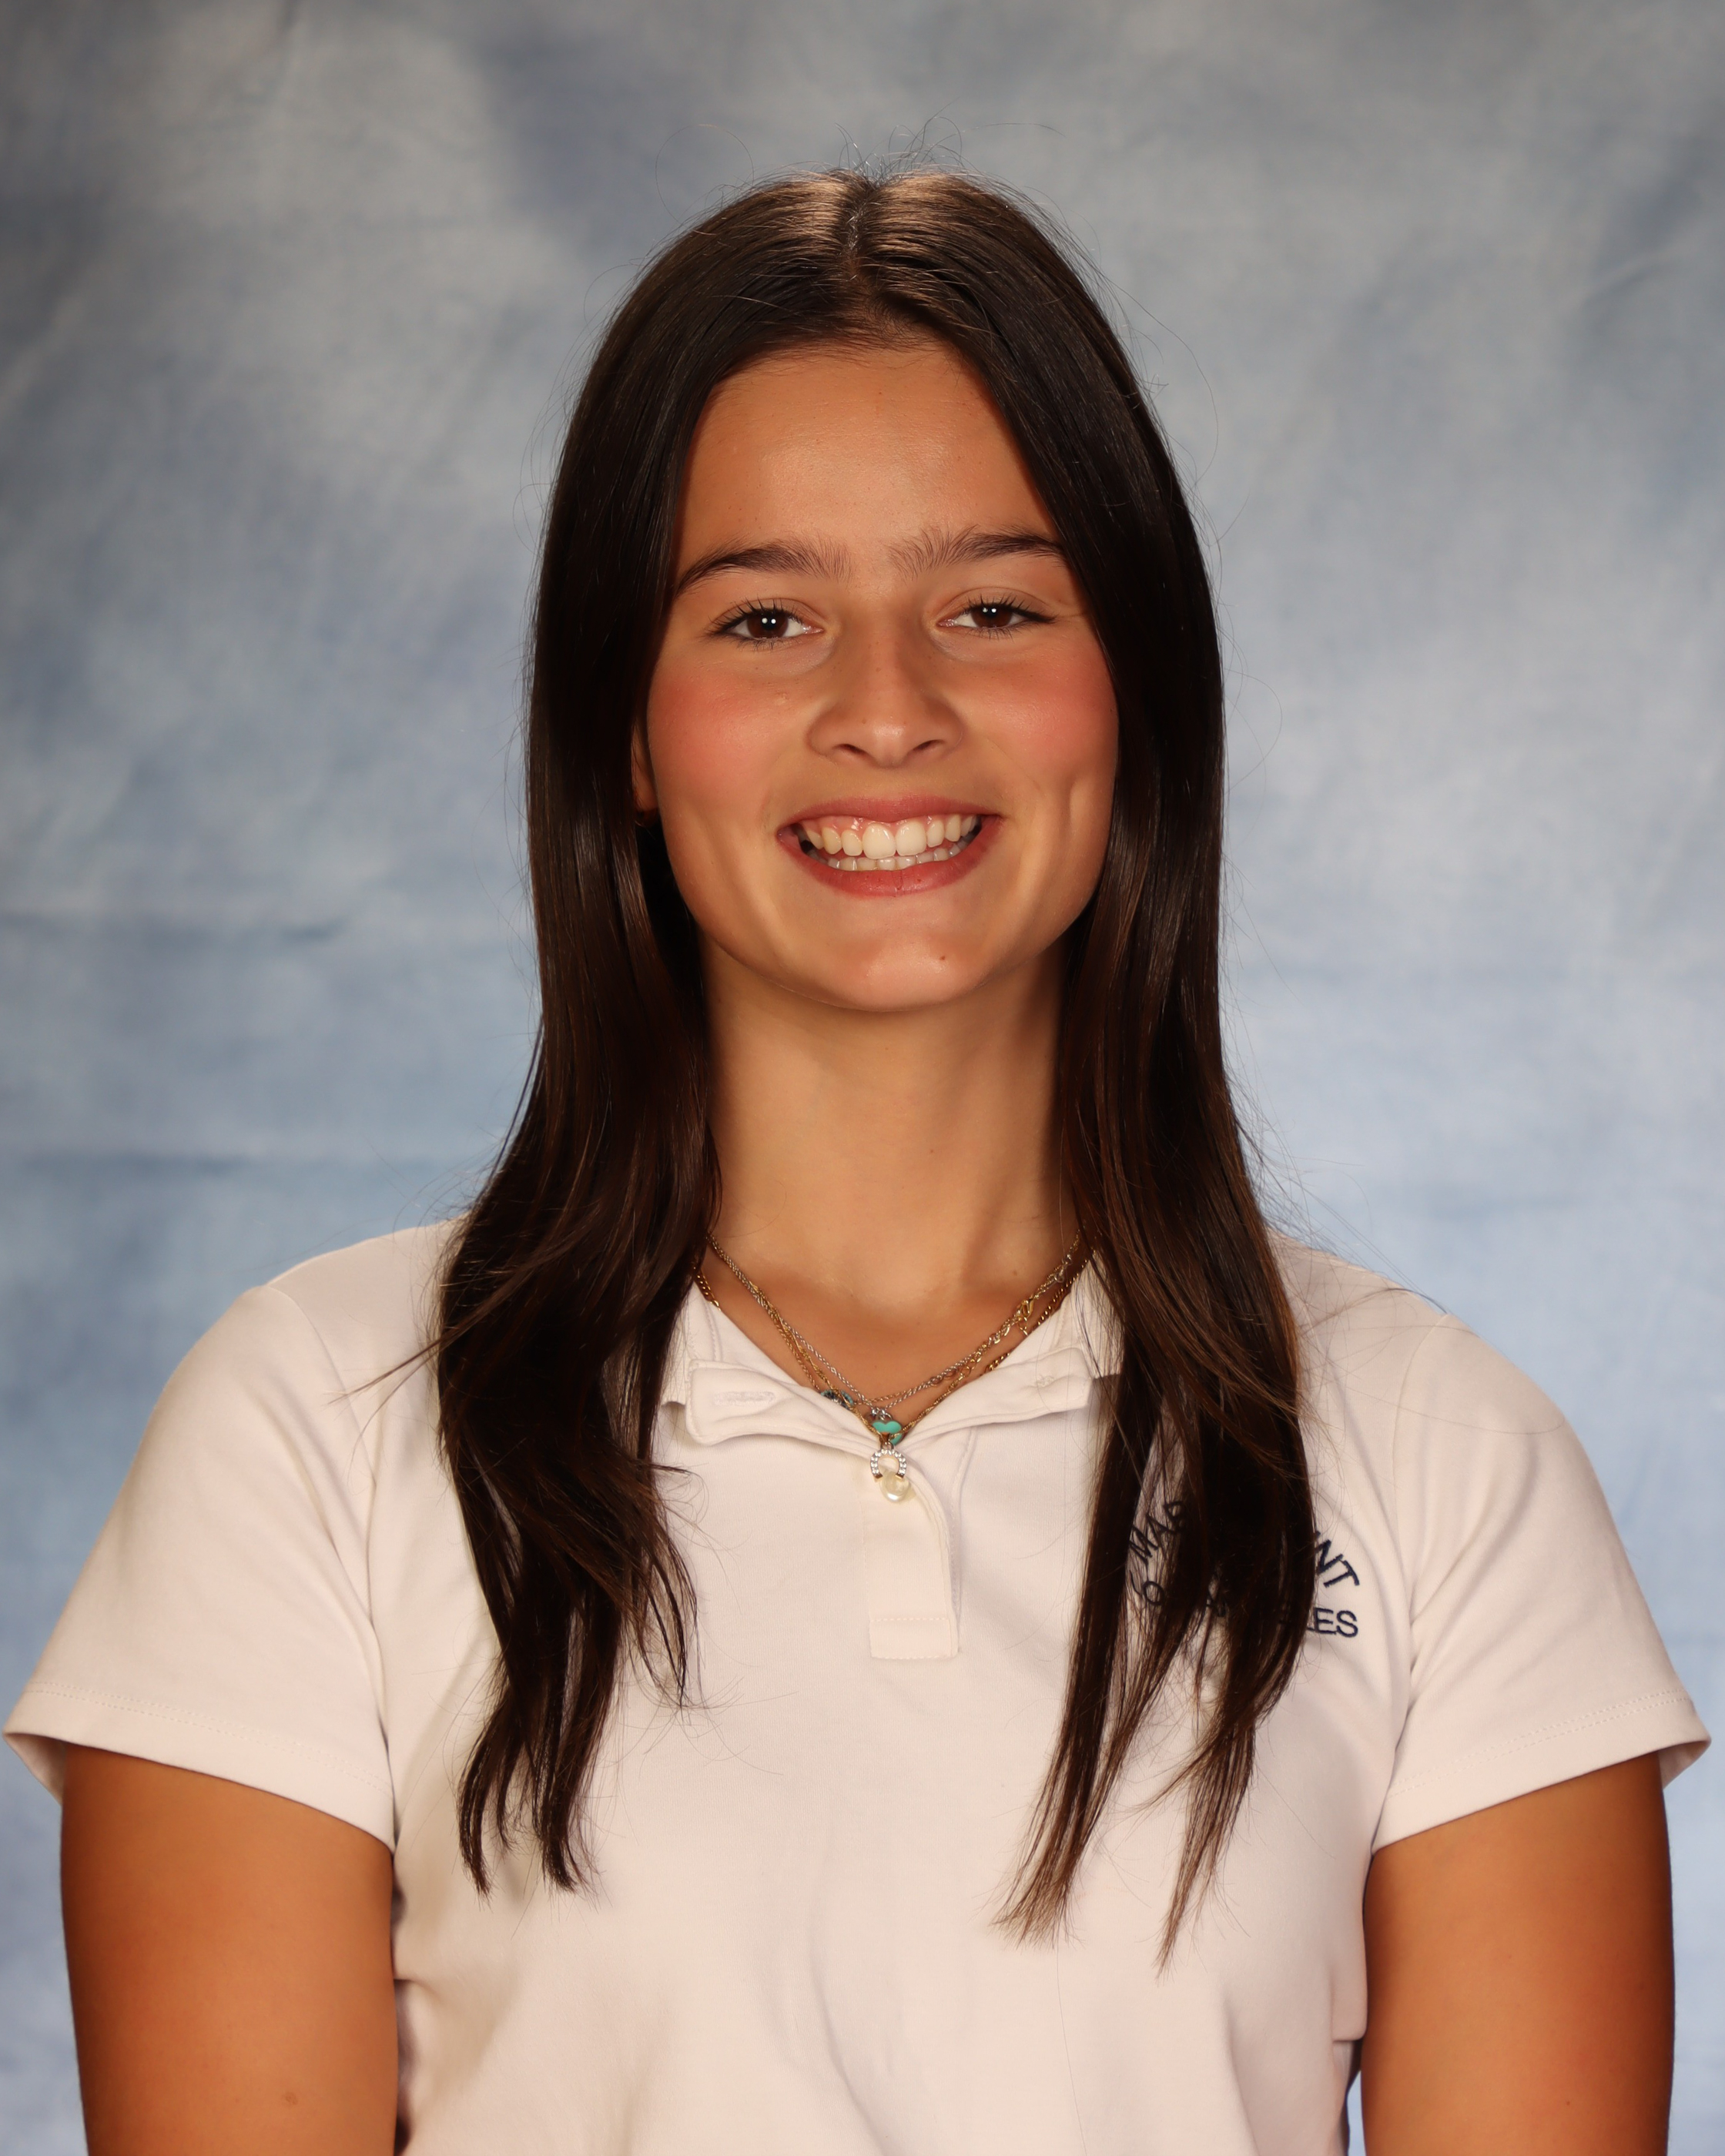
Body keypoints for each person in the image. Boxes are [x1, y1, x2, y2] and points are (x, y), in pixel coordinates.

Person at [5, 167, 1707, 2156]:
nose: (887, 711)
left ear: (1134, 695)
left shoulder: (1441, 1462)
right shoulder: (312, 1432)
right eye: (765, 618)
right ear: (628, 732)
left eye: (994, 608)